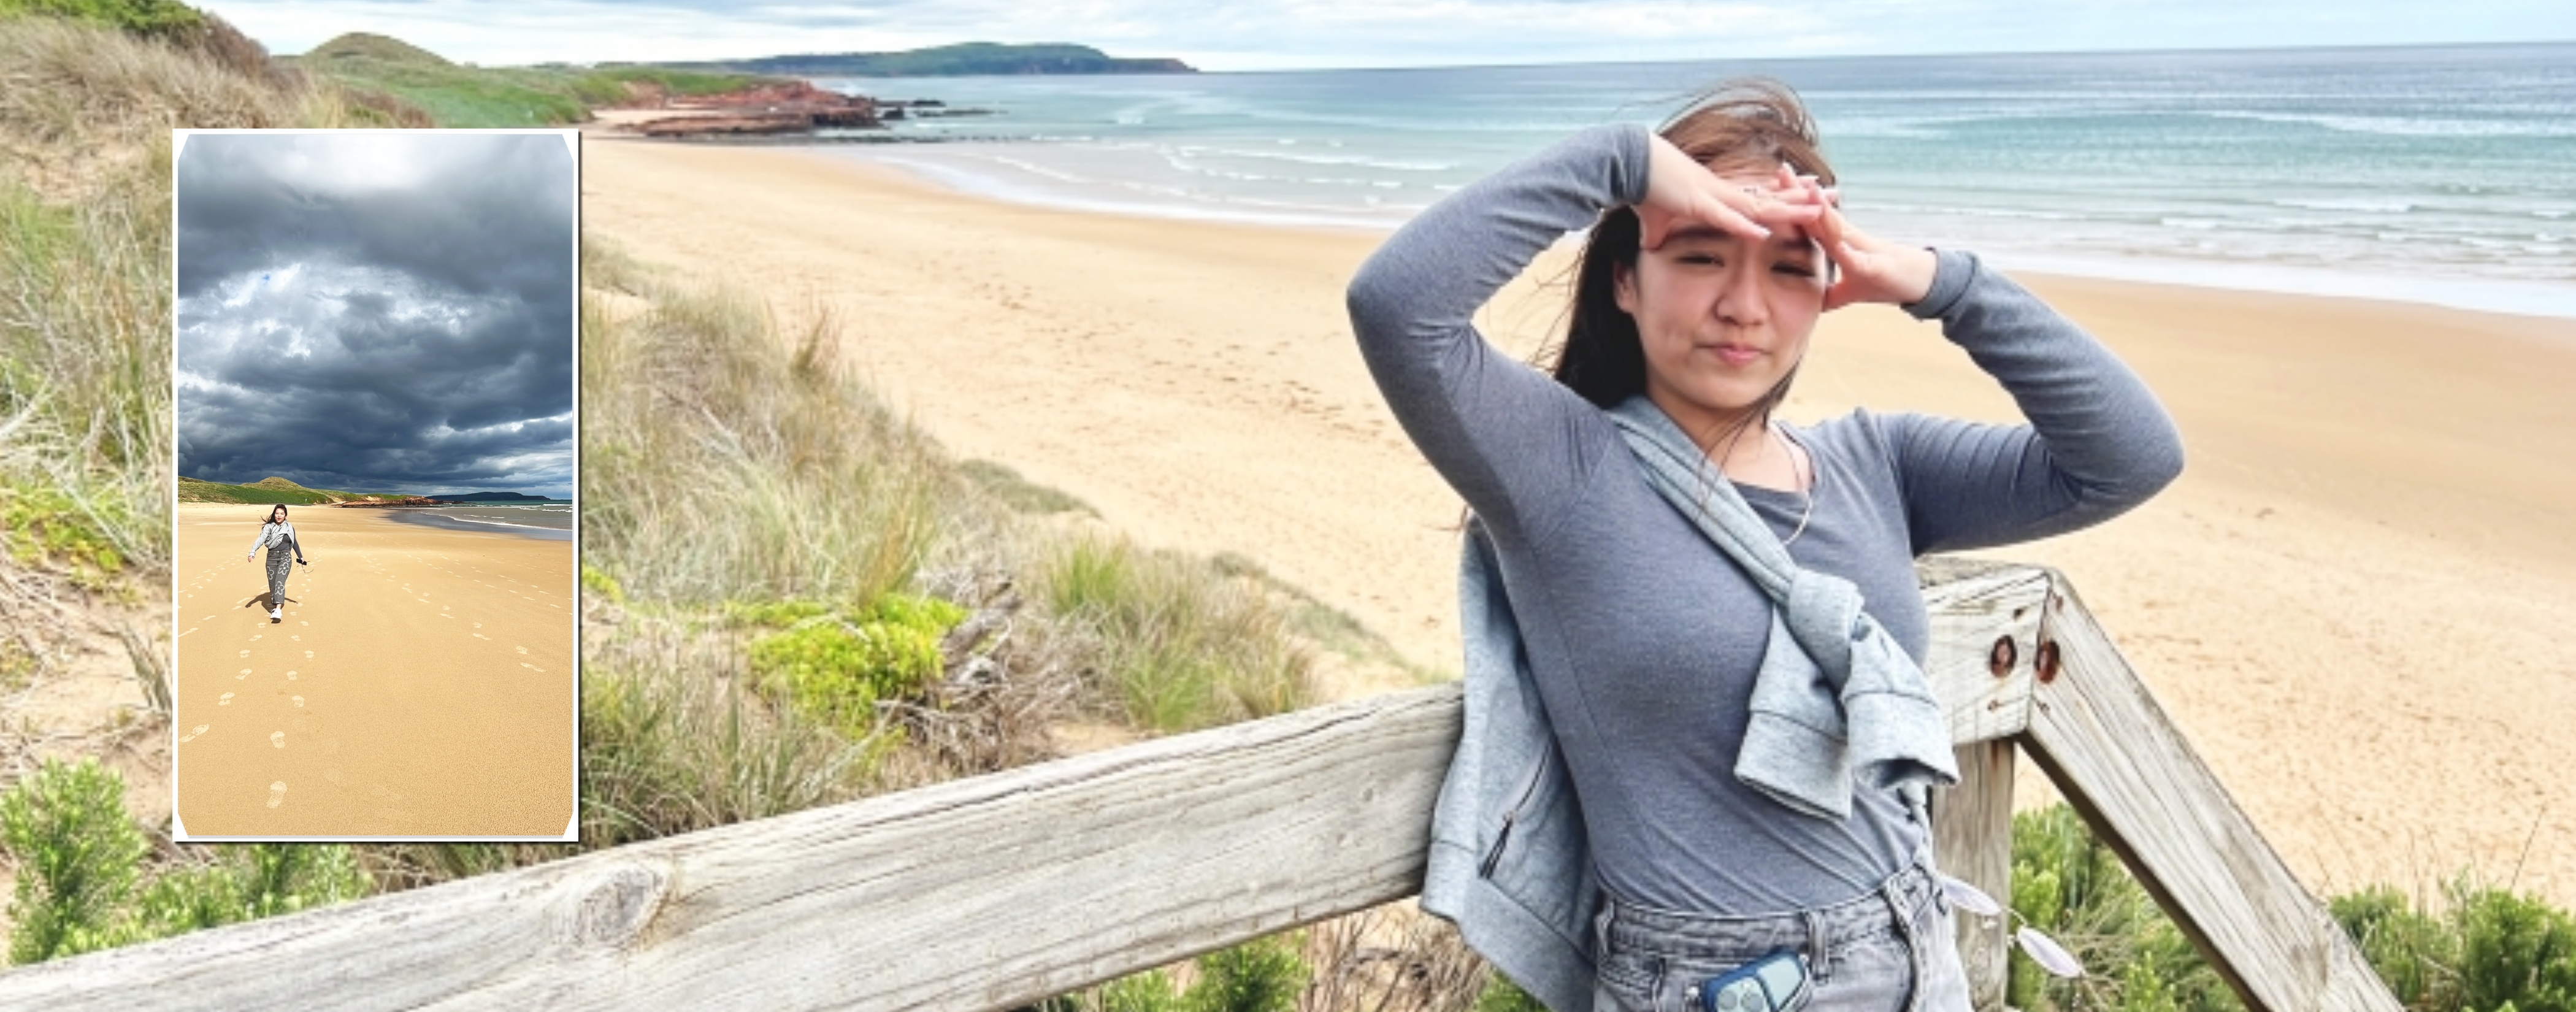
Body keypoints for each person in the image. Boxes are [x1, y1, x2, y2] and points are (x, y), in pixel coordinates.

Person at [1346, 80, 2182, 1012]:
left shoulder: (1877, 462)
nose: (1744, 306)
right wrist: (1625, 162)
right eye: (1700, 255)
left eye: (1789, 269)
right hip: (1722, 983)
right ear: (1625, 280)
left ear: (1828, 293)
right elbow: (1395, 308)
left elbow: (2129, 459)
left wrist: (1938, 282)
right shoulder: (1562, 466)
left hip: (1917, 946)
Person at [245, 503, 307, 622]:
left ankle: (278, 610)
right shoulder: (269, 527)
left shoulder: (289, 527)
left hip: (285, 557)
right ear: (274, 514)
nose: (279, 516)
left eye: (282, 514)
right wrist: (253, 552)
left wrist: (300, 556)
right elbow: (261, 539)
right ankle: (275, 606)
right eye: (277, 513)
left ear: (285, 515)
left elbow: (294, 542)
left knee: (279, 582)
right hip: (271, 558)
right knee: (273, 585)